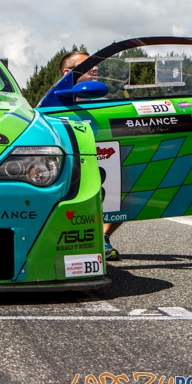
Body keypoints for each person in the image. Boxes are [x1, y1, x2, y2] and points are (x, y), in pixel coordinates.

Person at [60, 50, 121, 260]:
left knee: (121, 190)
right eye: (88, 65)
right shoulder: (53, 104)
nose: (95, 67)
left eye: (95, 64)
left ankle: (103, 237)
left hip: (104, 155)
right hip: (71, 158)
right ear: (68, 73)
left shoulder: (102, 100)